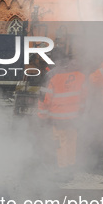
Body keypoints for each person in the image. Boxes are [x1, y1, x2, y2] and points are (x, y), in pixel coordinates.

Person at [38, 50, 87, 181]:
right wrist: (80, 112)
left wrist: (42, 116)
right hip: (74, 116)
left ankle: (63, 170)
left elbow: (45, 98)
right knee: (71, 141)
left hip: (58, 116)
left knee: (61, 142)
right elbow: (83, 97)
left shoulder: (52, 75)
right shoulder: (80, 76)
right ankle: (70, 167)